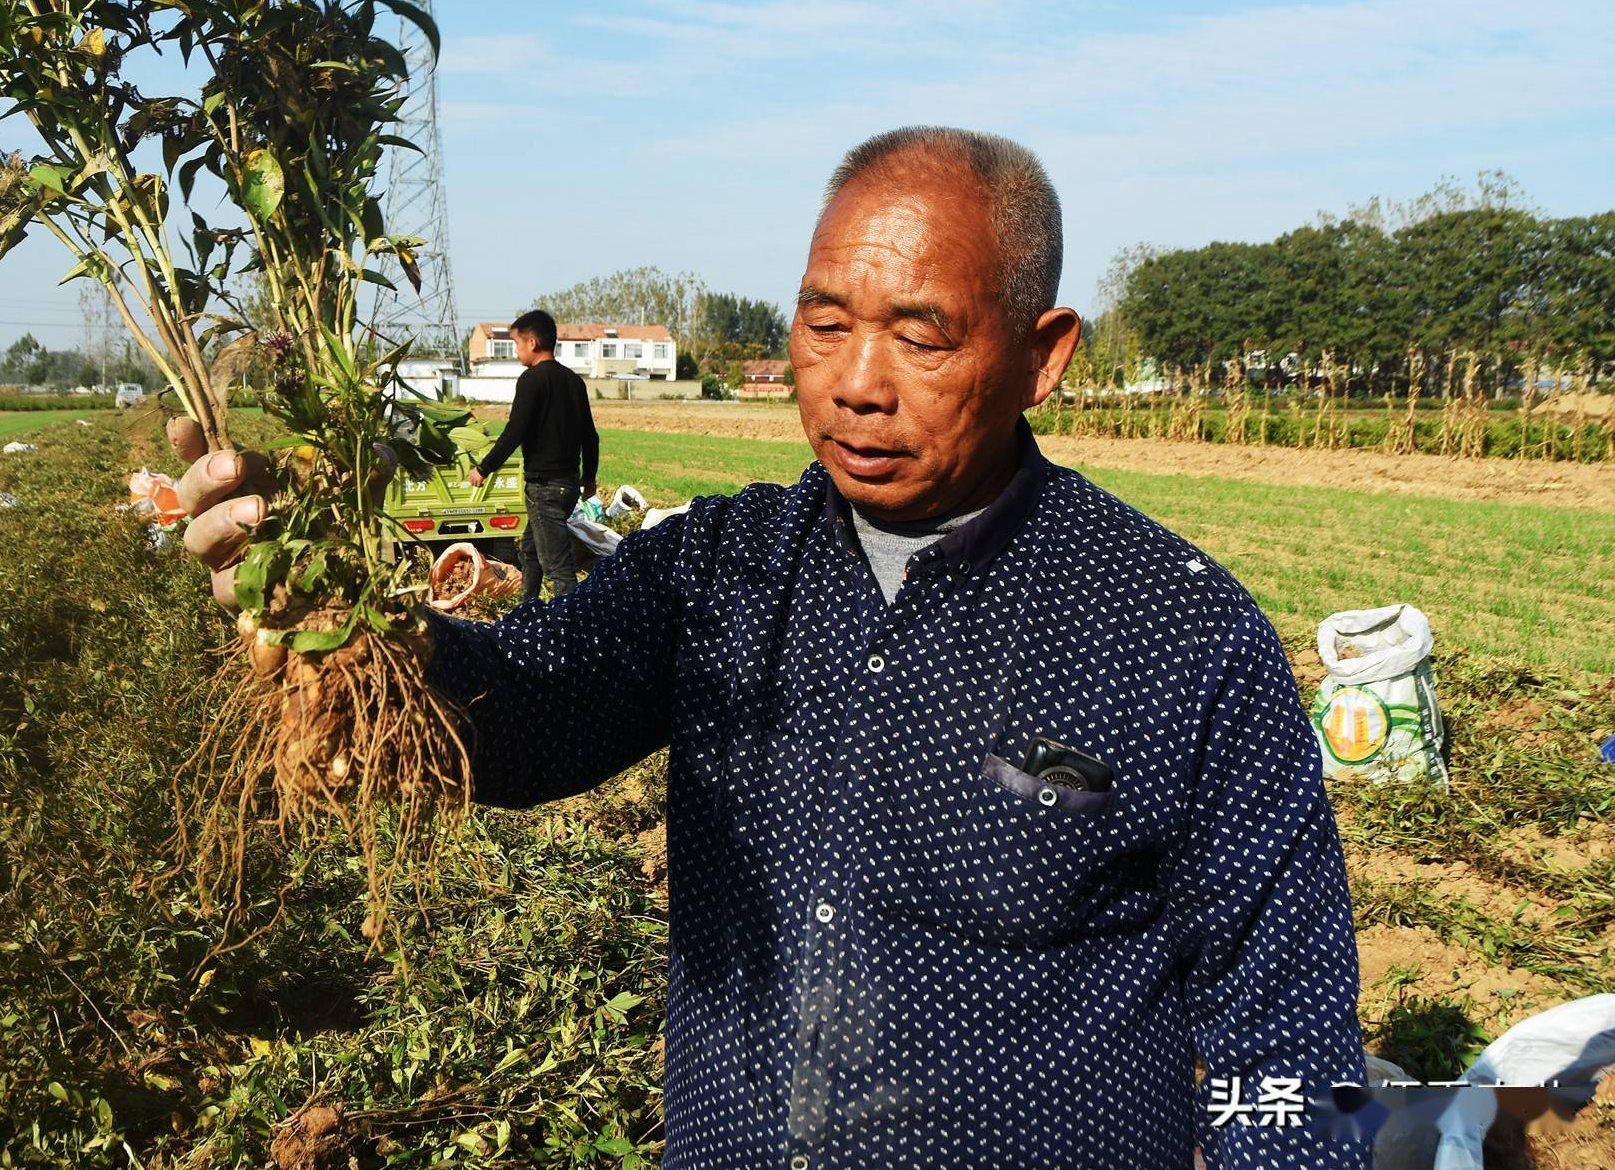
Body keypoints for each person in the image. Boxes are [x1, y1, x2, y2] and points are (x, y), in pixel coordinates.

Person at [171, 128, 1367, 1168]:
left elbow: (1289, 1036)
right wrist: (346, 618)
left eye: (919, 335)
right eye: (824, 322)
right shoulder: (718, 571)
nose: (854, 384)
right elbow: (529, 709)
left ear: (1041, 353)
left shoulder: (1173, 634)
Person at [466, 309, 599, 604]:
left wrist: (483, 469)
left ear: (533, 343)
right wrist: (589, 478)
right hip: (568, 486)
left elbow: (515, 432)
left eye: (517, 345)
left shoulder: (531, 380)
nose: (516, 352)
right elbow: (590, 436)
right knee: (530, 550)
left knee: (558, 567)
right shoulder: (574, 381)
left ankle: (569, 628)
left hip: (545, 488)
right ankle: (527, 610)